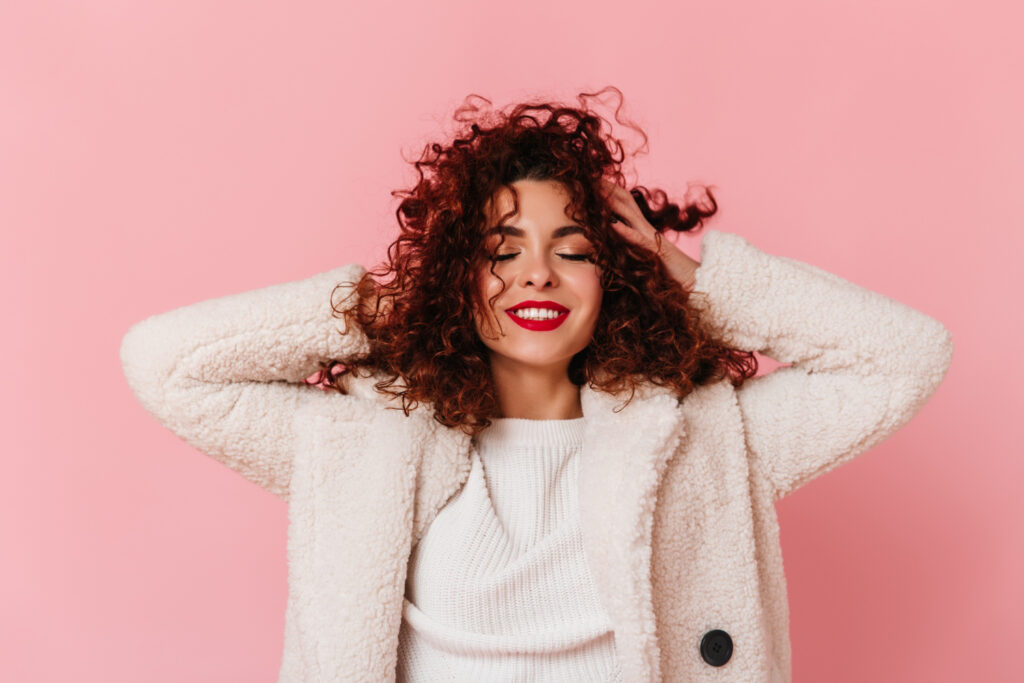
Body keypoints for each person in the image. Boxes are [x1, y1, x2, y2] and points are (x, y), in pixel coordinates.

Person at [119, 88, 954, 682]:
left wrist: (687, 271)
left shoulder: (701, 442)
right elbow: (166, 364)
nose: (539, 276)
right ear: (459, 273)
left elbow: (905, 357)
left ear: (614, 272)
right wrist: (379, 305)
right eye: (501, 249)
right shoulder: (366, 439)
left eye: (575, 248)